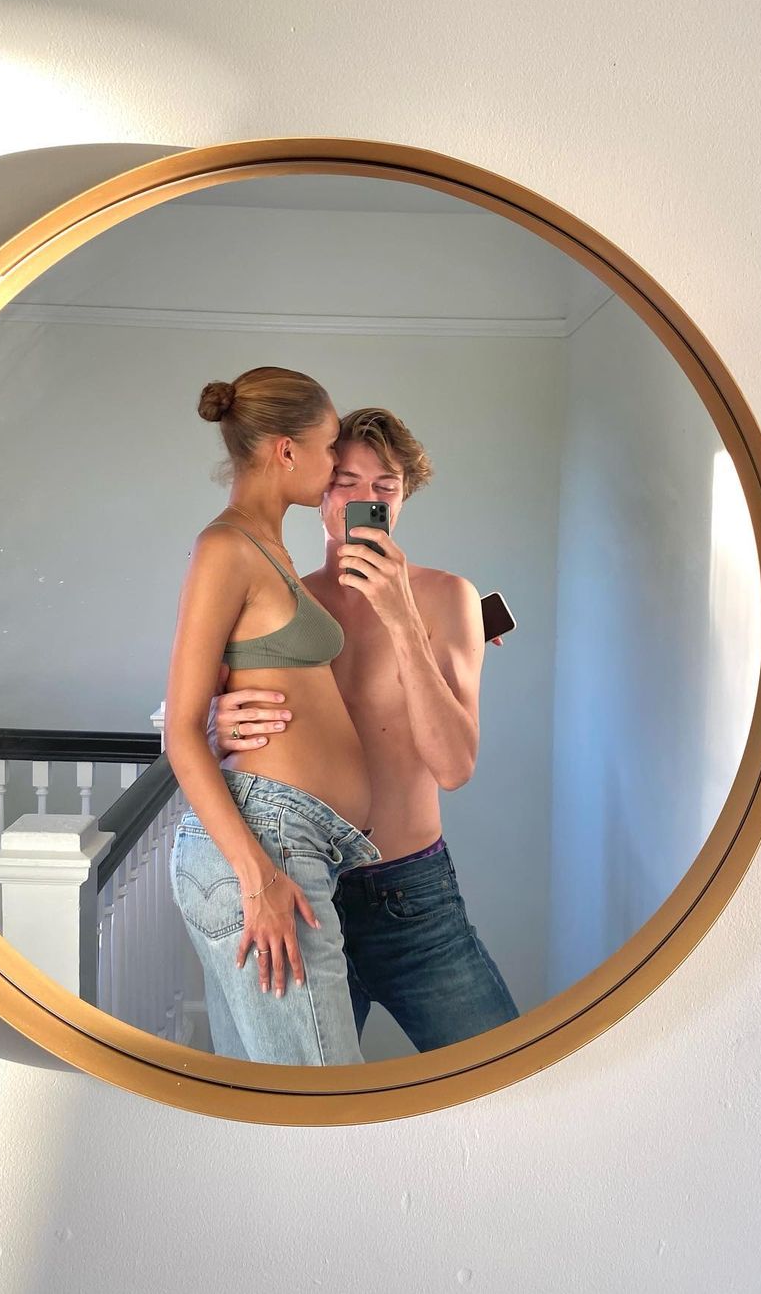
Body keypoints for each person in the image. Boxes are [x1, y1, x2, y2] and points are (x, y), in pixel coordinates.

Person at [211, 407, 519, 1054]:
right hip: (304, 888)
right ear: (319, 490)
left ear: (404, 496)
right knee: (305, 1096)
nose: (363, 500)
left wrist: (401, 618)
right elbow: (210, 732)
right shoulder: (281, 600)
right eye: (346, 482)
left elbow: (454, 767)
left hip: (413, 898)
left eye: (385, 486)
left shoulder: (449, 597)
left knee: (503, 1073)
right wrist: (221, 725)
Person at [165, 367, 381, 1067]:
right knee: (326, 1105)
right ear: (287, 450)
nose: (336, 462)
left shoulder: (268, 546)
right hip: (266, 845)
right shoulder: (225, 547)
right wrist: (258, 878)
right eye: (329, 446)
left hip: (292, 839)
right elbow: (180, 729)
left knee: (274, 1106)